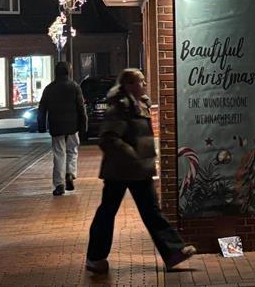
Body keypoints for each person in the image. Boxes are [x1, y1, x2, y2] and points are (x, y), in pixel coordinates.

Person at [85, 69, 196, 273]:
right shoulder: (120, 108)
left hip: (139, 170)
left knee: (152, 211)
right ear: (128, 85)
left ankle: (174, 252)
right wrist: (132, 155)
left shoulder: (142, 105)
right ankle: (95, 257)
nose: (144, 84)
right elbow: (108, 139)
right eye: (140, 81)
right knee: (107, 213)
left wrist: (145, 160)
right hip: (119, 171)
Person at [38, 61, 87, 196]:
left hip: (56, 125)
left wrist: (41, 125)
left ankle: (59, 184)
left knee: (59, 154)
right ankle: (70, 173)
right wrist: (83, 126)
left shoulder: (49, 88)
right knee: (72, 150)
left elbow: (42, 108)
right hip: (73, 125)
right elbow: (81, 108)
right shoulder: (75, 87)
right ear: (68, 72)